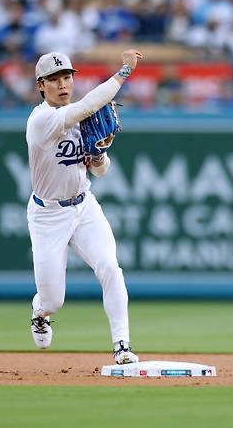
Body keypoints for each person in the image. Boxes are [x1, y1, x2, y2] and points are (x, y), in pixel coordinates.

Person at [27, 49, 143, 364]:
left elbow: (101, 170)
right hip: (48, 214)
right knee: (54, 299)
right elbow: (90, 103)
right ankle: (40, 311)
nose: (62, 84)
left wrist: (100, 154)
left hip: (84, 205)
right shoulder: (42, 119)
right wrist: (124, 72)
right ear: (42, 85)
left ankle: (122, 345)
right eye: (54, 79)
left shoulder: (81, 118)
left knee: (110, 268)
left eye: (66, 76)